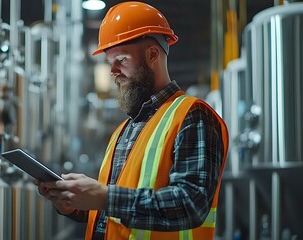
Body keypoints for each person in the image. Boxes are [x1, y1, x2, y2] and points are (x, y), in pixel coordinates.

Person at [36, 1, 229, 239]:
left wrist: (104, 196)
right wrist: (76, 205)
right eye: (110, 63)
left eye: (122, 60)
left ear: (152, 55)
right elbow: (117, 213)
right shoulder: (123, 130)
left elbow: (190, 204)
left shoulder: (193, 116)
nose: (112, 72)